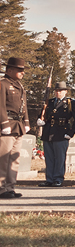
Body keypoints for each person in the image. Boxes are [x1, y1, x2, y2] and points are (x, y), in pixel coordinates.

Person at [37, 81, 75, 187]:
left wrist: (70, 133)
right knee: (49, 157)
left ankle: (58, 178)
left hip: (61, 133)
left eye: (61, 91)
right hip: (48, 132)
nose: (58, 92)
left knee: (60, 158)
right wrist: (40, 119)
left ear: (65, 91)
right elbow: (43, 114)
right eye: (57, 91)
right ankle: (49, 179)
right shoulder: (50, 102)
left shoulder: (71, 103)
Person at [0, 57, 29, 199]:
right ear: (9, 70)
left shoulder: (20, 86)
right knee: (3, 158)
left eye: (23, 70)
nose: (22, 72)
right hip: (7, 125)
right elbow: (1, 105)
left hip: (18, 126)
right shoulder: (3, 84)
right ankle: (1, 188)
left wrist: (26, 122)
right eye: (19, 70)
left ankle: (10, 187)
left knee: (14, 159)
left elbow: (24, 106)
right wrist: (4, 123)